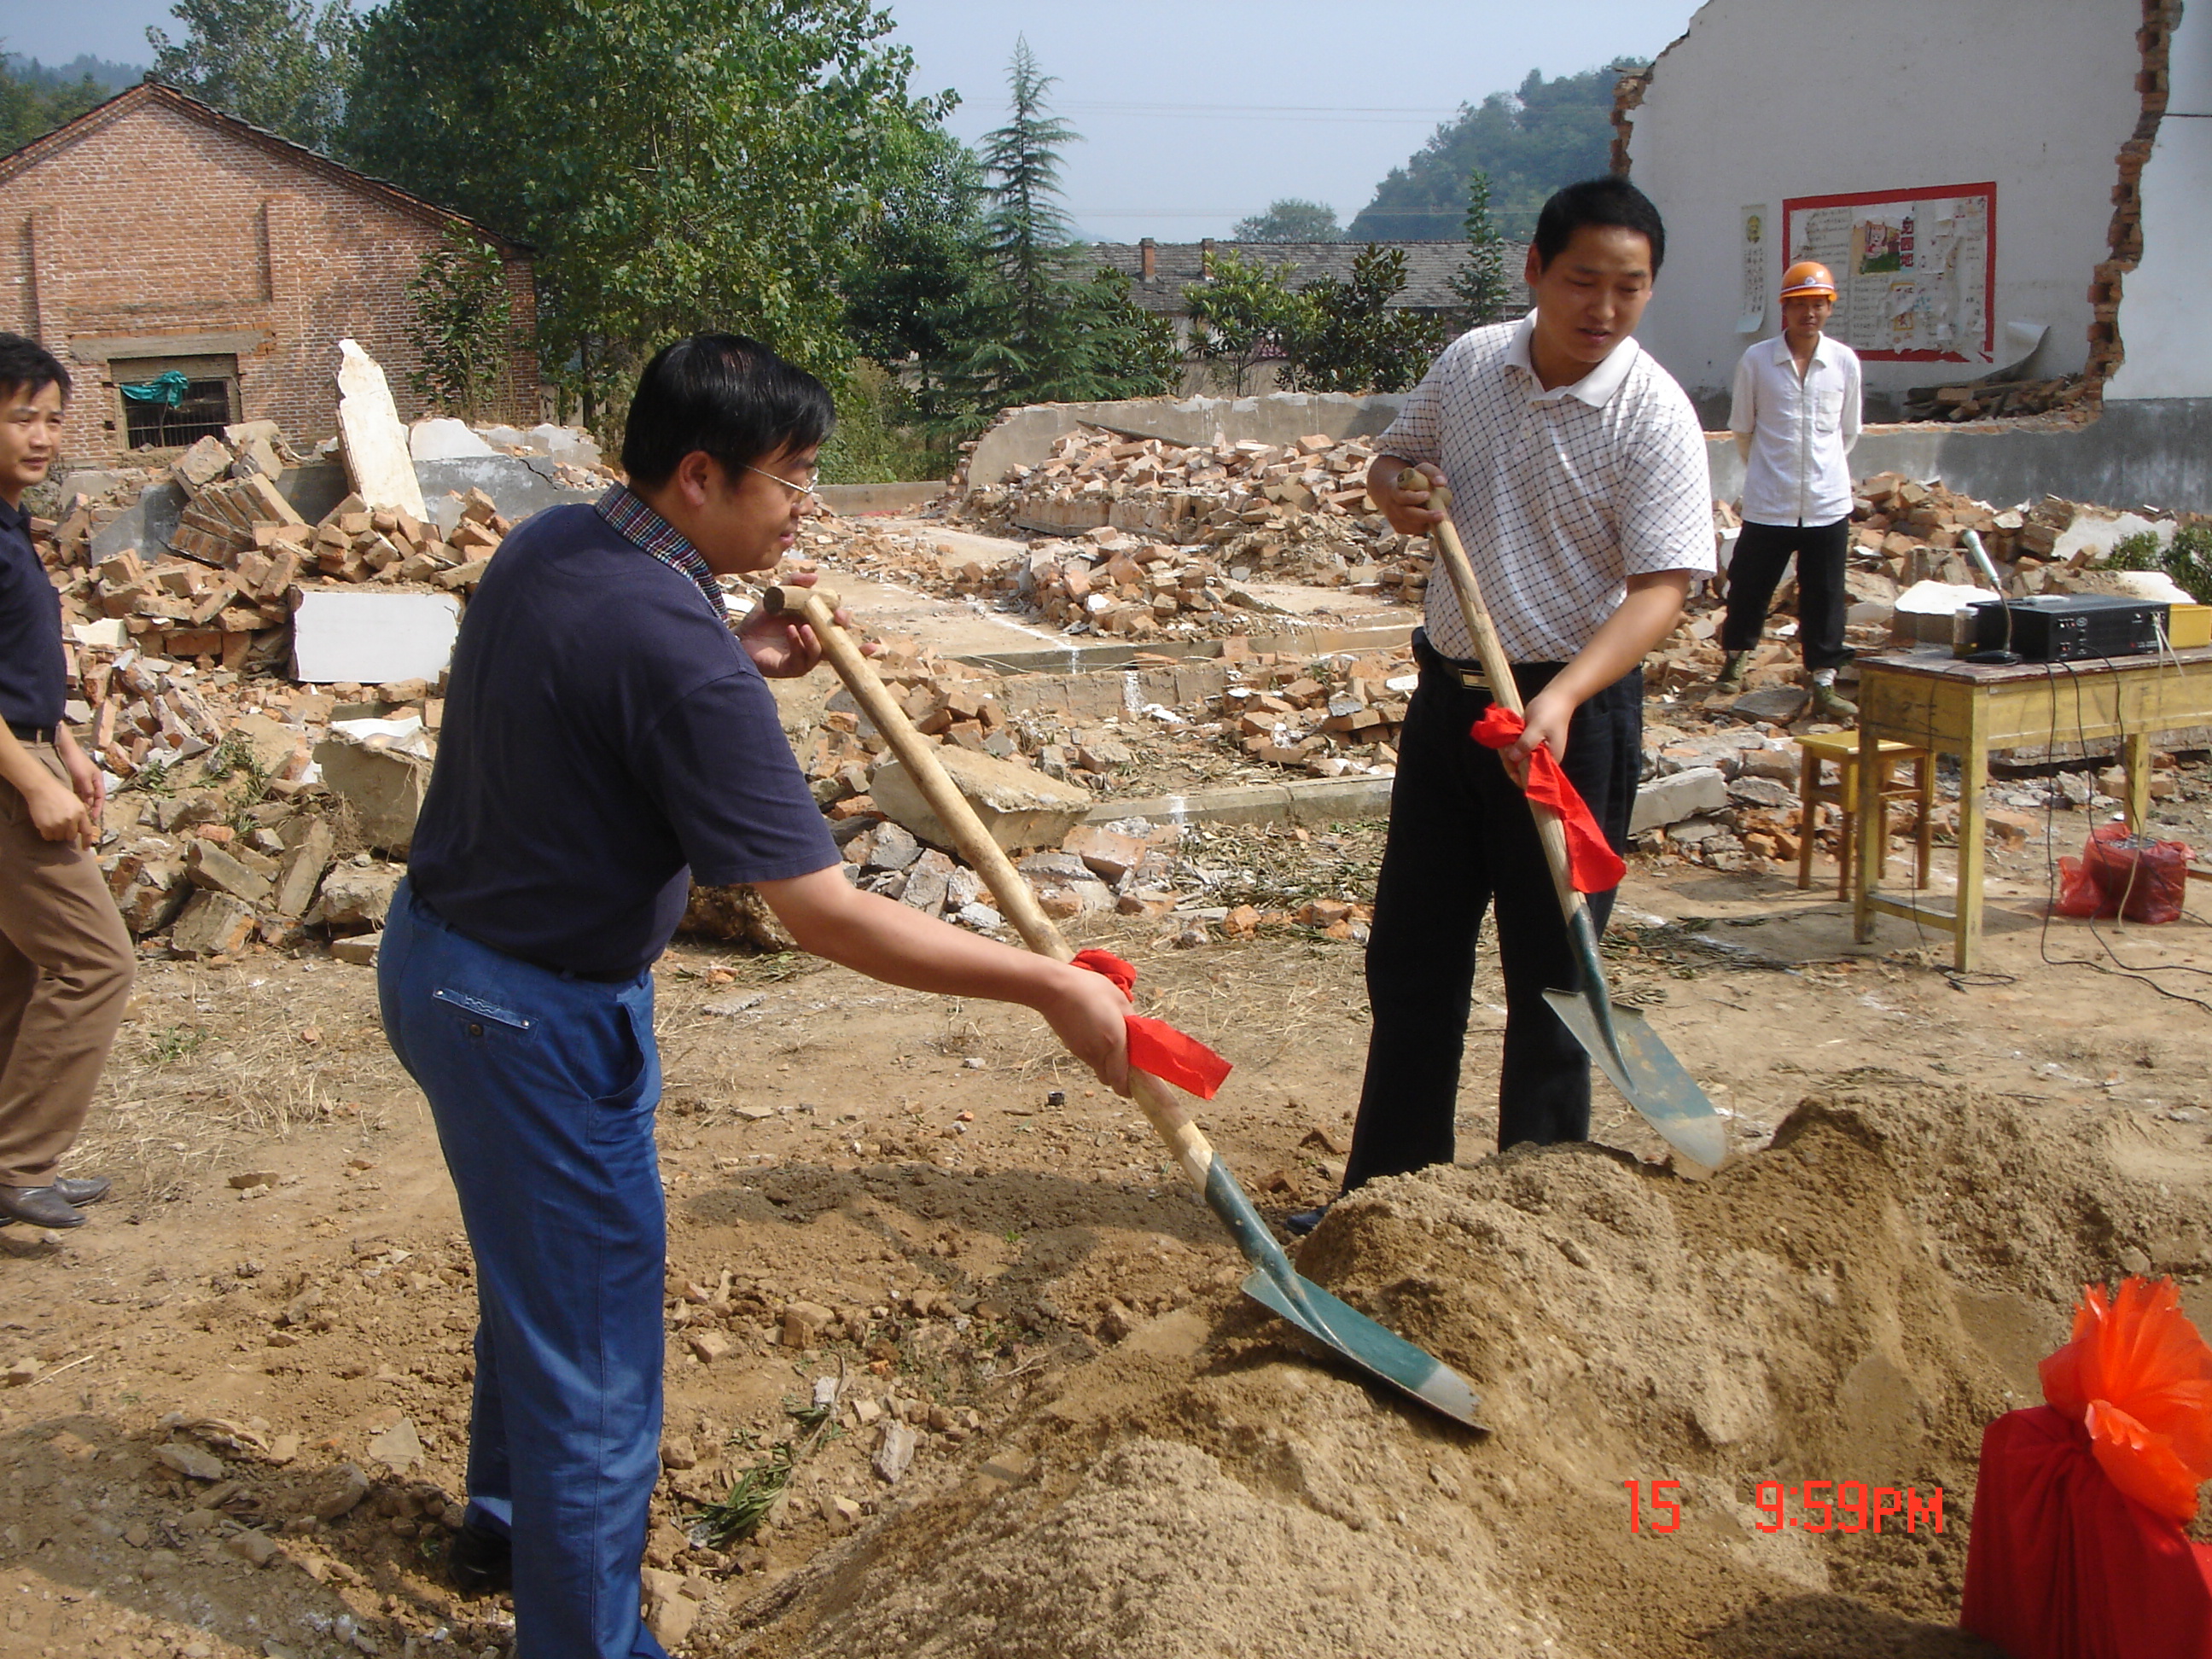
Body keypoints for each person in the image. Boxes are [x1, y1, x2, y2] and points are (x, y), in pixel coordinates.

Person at [377, 333, 1132, 1659]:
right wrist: (1047, 988)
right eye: (789, 481)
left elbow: (610, 662)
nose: (803, 509)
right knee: (598, 1358)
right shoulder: (683, 660)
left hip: (440, 961)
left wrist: (733, 639)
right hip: (532, 1019)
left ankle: (504, 1521)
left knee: (535, 1277)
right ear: (699, 474)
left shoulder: (557, 545)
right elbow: (824, 915)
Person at [1290, 178, 1714, 1236]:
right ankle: (1387, 1202)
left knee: (1555, 976)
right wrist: (1396, 488)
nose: (1603, 308)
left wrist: (1565, 694)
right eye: (1583, 281)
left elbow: (1664, 586)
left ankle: (1538, 1223)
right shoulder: (1474, 363)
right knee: (1414, 958)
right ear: (1535, 271)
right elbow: (1394, 458)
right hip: (1453, 704)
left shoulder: (1652, 414)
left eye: (1630, 287)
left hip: (1572, 721)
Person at [0, 334, 132, 1231]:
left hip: (30, 749)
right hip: (5, 774)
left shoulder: (11, 517)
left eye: (51, 417)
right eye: (19, 417)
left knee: (18, 974)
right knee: (95, 962)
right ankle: (18, 1164)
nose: (41, 436)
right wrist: (31, 780)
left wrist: (67, 748)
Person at [1713, 259, 1864, 720]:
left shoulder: (1843, 361)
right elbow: (1743, 430)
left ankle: (1824, 681)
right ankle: (1734, 663)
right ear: (1785, 309)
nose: (1809, 314)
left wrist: (1821, 472)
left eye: (1818, 304)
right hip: (1769, 502)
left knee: (1825, 594)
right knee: (1749, 587)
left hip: (1827, 503)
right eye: (1799, 305)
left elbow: (1848, 431)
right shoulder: (1757, 360)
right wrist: (1769, 472)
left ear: (1830, 308)